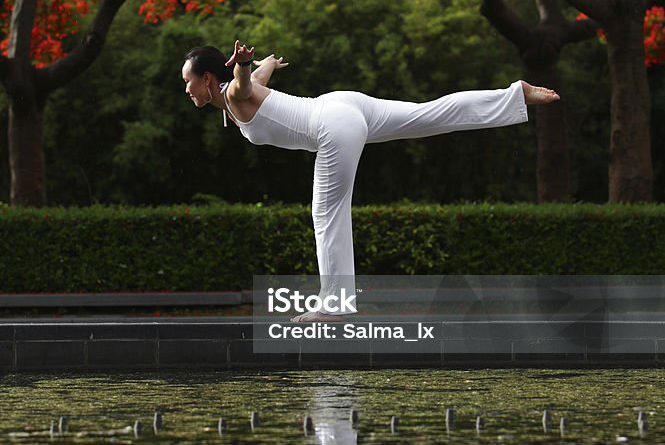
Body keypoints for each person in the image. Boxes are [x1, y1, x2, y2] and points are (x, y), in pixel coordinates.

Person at [182, 40, 560, 322]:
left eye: (189, 81)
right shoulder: (233, 93)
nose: (186, 90)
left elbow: (244, 84)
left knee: (326, 213)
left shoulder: (233, 92)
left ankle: (334, 304)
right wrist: (264, 62)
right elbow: (258, 75)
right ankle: (515, 96)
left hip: (332, 124)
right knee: (428, 115)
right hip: (345, 105)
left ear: (209, 78)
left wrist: (245, 65)